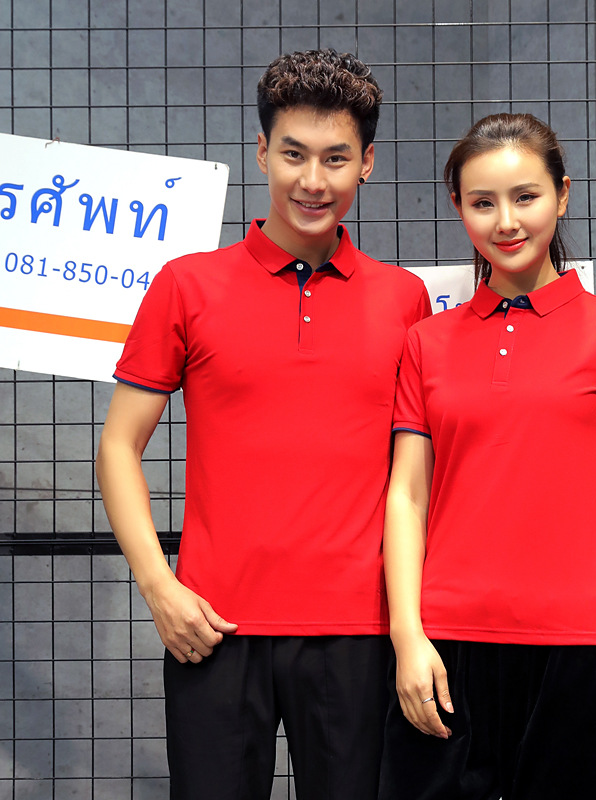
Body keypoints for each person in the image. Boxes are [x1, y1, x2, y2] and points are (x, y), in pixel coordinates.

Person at [95, 49, 431, 800]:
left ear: (367, 163)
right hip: (213, 627)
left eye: (336, 158)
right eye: (293, 154)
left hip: (358, 632)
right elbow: (117, 446)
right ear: (261, 152)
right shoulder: (187, 285)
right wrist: (159, 587)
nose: (313, 180)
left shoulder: (404, 299)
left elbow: (418, 478)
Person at [378, 113, 596, 800]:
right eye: (483, 202)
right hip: (446, 648)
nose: (506, 221)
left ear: (562, 196)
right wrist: (407, 637)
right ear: (459, 207)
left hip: (576, 647)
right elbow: (407, 496)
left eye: (526, 197)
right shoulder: (425, 342)